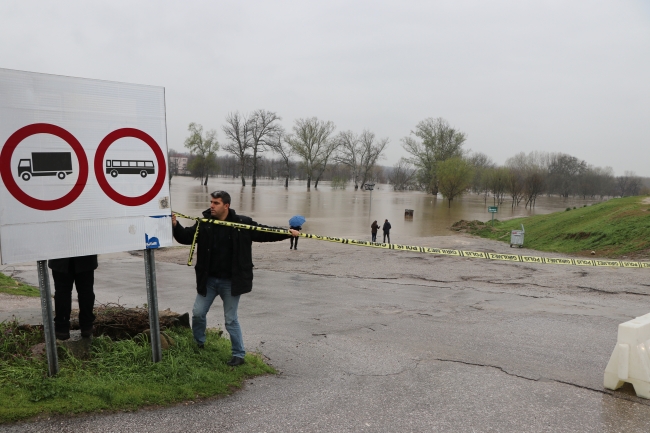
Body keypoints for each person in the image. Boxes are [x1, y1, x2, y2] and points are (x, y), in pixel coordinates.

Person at [172, 190, 300, 367]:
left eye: (216, 203)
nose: (212, 206)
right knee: (198, 313)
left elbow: (264, 232)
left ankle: (238, 354)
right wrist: (175, 225)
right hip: (208, 280)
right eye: (211, 202)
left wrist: (287, 233)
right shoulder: (204, 223)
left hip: (231, 282)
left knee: (231, 319)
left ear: (226, 205)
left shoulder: (242, 223)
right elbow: (186, 237)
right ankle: (198, 343)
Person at [48, 255, 98, 340]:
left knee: (62, 291)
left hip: (61, 257)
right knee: (85, 290)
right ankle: (86, 325)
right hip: (84, 255)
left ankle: (62, 327)